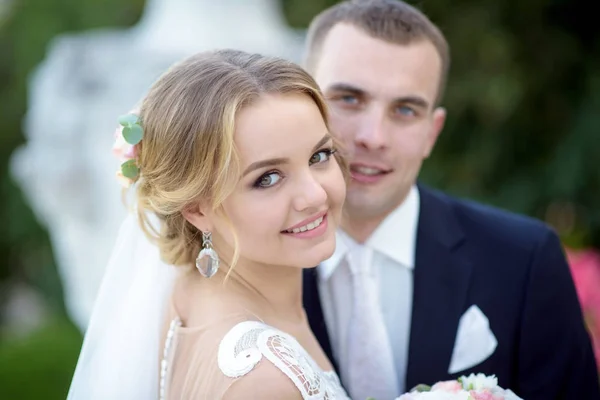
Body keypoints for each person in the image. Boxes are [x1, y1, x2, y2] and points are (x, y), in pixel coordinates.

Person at [301, 1, 600, 399]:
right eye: (349, 99)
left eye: (405, 109)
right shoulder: (248, 263)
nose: (373, 136)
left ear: (432, 131)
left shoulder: (524, 260)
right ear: (304, 105)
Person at [67, 49, 351, 399]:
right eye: (268, 178)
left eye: (319, 156)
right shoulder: (262, 381)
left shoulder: (185, 292)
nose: (315, 195)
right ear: (196, 208)